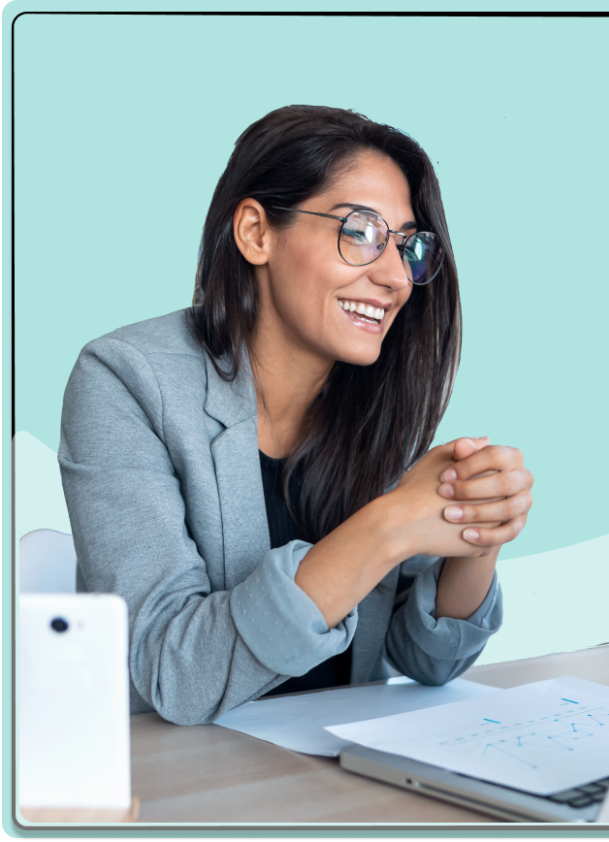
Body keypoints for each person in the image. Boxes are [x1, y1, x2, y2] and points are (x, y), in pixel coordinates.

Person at [58, 105, 533, 726]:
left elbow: (425, 660)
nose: (395, 277)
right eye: (359, 230)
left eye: (408, 245)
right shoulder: (125, 379)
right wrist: (388, 525)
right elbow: (171, 673)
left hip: (333, 781)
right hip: (188, 789)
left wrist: (476, 529)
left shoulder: (369, 400)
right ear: (257, 232)